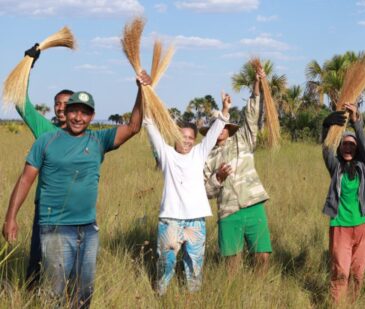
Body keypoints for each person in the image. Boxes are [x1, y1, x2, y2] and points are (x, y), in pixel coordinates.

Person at [2, 72, 149, 308]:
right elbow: (25, 180)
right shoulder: (47, 140)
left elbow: (133, 126)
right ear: (65, 112)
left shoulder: (98, 140)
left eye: (84, 112)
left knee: (84, 291)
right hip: (55, 228)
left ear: (91, 116)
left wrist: (141, 91)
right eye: (73, 111)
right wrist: (11, 218)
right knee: (55, 292)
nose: (78, 117)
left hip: (88, 229)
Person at [145, 91, 231, 295]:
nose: (187, 141)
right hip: (170, 220)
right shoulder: (166, 155)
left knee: (195, 265)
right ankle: (161, 295)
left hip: (196, 220)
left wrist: (225, 110)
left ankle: (192, 298)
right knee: (166, 264)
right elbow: (150, 126)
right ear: (174, 137)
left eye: (191, 138)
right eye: (182, 137)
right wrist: (146, 94)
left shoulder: (198, 154)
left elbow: (211, 136)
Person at [13, 43, 73, 287]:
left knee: (69, 261)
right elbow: (21, 103)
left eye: (66, 103)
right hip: (46, 205)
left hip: (74, 208)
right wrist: (29, 63)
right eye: (57, 103)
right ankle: (30, 297)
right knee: (37, 257)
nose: (60, 107)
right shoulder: (45, 130)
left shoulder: (86, 136)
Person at [203, 67, 271, 272]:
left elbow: (251, 116)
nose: (221, 129)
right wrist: (218, 178)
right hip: (228, 210)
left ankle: (259, 294)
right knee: (231, 264)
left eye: (223, 125)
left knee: (262, 256)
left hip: (253, 204)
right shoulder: (206, 156)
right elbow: (206, 191)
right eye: (216, 125)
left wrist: (256, 85)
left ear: (228, 127)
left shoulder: (243, 140)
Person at [321, 103, 365, 303]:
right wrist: (326, 126)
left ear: (356, 149)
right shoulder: (336, 168)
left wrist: (356, 122)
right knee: (340, 272)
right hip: (341, 227)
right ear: (340, 147)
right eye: (344, 144)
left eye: (351, 145)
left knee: (357, 273)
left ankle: (353, 303)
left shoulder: (364, 167)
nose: (348, 147)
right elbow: (327, 149)